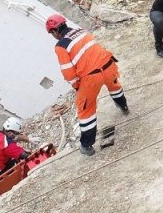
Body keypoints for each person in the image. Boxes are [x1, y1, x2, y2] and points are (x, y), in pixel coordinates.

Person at [45, 14, 128, 156]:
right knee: (115, 87)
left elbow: (68, 72)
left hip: (91, 77)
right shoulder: (81, 31)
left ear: (54, 31)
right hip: (108, 65)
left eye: (51, 33)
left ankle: (87, 145)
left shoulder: (61, 46)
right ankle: (123, 106)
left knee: (85, 110)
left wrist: (77, 86)